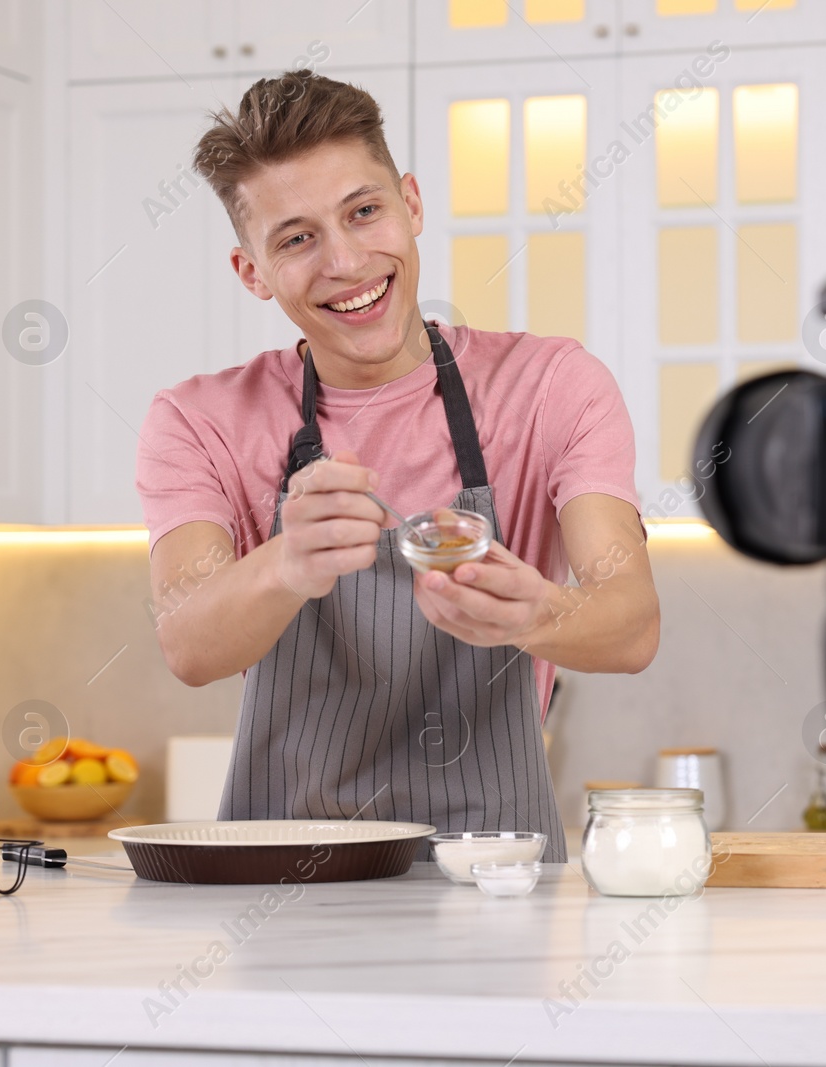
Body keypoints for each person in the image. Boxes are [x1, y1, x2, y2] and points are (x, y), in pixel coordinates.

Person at [136, 71, 659, 862]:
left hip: (496, 873)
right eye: (297, 238)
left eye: (364, 211)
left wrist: (536, 615)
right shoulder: (198, 420)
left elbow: (633, 624)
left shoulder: (551, 385)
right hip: (281, 882)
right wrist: (288, 562)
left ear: (411, 205)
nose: (346, 260)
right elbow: (189, 644)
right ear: (252, 271)